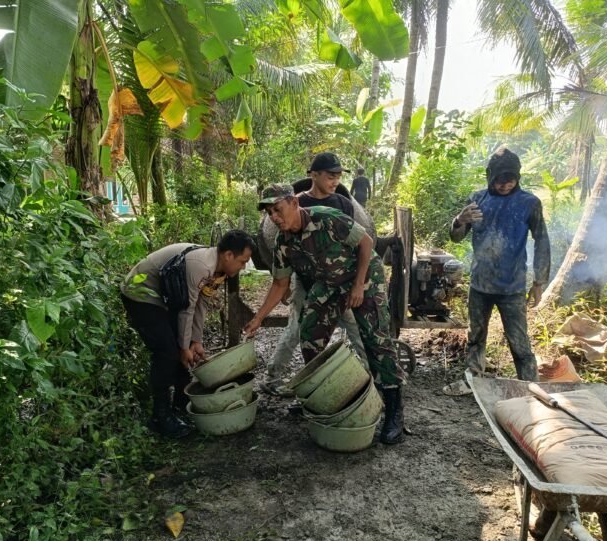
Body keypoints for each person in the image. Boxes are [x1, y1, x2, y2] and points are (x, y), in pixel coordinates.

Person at [244, 184, 408, 444]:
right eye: (269, 213)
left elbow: (365, 242)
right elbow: (279, 285)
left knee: (375, 339)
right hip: (328, 282)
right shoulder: (282, 242)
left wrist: (357, 285)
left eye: (278, 209)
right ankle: (322, 396)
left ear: (294, 203)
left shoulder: (326, 218)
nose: (274, 217)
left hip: (362, 276)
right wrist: (258, 318)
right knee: (309, 332)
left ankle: (394, 410)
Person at [121, 230, 256, 437]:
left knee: (178, 346)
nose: (244, 266)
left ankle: (180, 405)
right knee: (167, 351)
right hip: (141, 292)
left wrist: (196, 341)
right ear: (228, 255)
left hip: (164, 298)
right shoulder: (201, 266)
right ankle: (160, 415)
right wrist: (184, 348)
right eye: (242, 261)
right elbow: (187, 309)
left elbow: (201, 302)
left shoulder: (217, 271)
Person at [445, 146, 550, 395]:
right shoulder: (477, 199)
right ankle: (474, 381)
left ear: (518, 178)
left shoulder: (529, 203)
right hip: (480, 284)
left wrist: (539, 282)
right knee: (475, 337)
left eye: (510, 180)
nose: (504, 185)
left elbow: (542, 240)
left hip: (512, 287)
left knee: (520, 343)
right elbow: (456, 237)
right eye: (499, 180)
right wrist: (459, 220)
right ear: (490, 176)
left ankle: (530, 388)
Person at [265, 154, 367, 392]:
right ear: (314, 174)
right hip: (305, 281)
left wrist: (355, 284)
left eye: (338, 176)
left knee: (354, 326)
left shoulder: (343, 204)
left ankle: (370, 376)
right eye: (331, 175)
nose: (335, 180)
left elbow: (355, 244)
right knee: (298, 326)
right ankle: (274, 376)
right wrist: (285, 282)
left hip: (338, 282)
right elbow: (286, 247)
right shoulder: (295, 203)